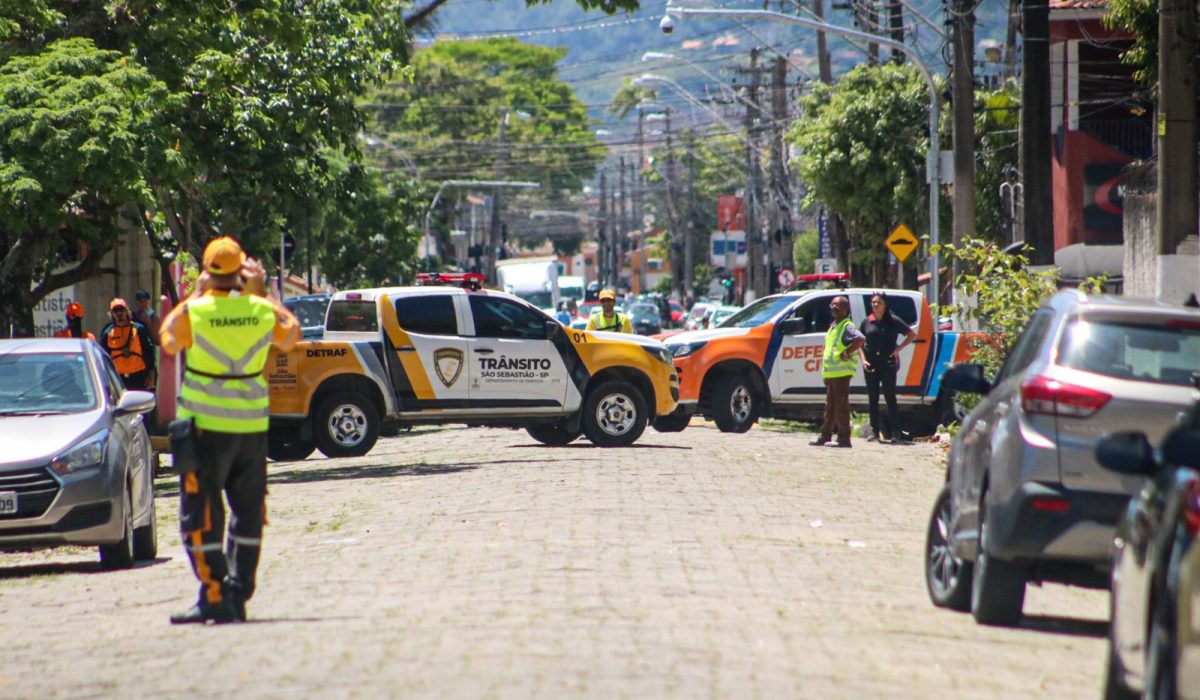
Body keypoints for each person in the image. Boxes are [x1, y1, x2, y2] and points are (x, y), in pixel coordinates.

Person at [159, 236, 300, 624]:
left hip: (205, 430)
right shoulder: (259, 310)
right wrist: (263, 294)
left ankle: (215, 592)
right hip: (251, 431)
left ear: (207, 271)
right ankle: (238, 593)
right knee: (249, 513)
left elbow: (168, 338)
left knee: (200, 513)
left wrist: (195, 295)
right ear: (241, 271)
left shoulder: (197, 312)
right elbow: (291, 336)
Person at [859, 292, 917, 443]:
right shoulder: (867, 322)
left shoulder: (893, 320)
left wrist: (899, 348)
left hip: (887, 363)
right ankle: (874, 431)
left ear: (885, 304)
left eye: (878, 302)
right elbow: (859, 342)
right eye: (873, 302)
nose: (875, 305)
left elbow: (912, 335)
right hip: (871, 364)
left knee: (890, 397)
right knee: (873, 398)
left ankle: (895, 433)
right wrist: (863, 360)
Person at [809, 295, 864, 448]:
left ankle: (844, 438)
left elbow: (860, 339)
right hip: (831, 373)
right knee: (830, 407)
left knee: (840, 406)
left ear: (846, 309)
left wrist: (847, 352)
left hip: (841, 373)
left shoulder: (847, 326)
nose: (834, 307)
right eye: (832, 304)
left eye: (838, 305)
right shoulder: (834, 325)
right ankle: (825, 436)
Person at [100, 298, 157, 390]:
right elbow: (103, 359)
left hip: (139, 377)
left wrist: (151, 375)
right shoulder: (107, 333)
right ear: (112, 315)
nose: (119, 314)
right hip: (118, 379)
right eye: (116, 312)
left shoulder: (139, 329)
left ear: (127, 312)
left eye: (121, 311)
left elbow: (149, 352)